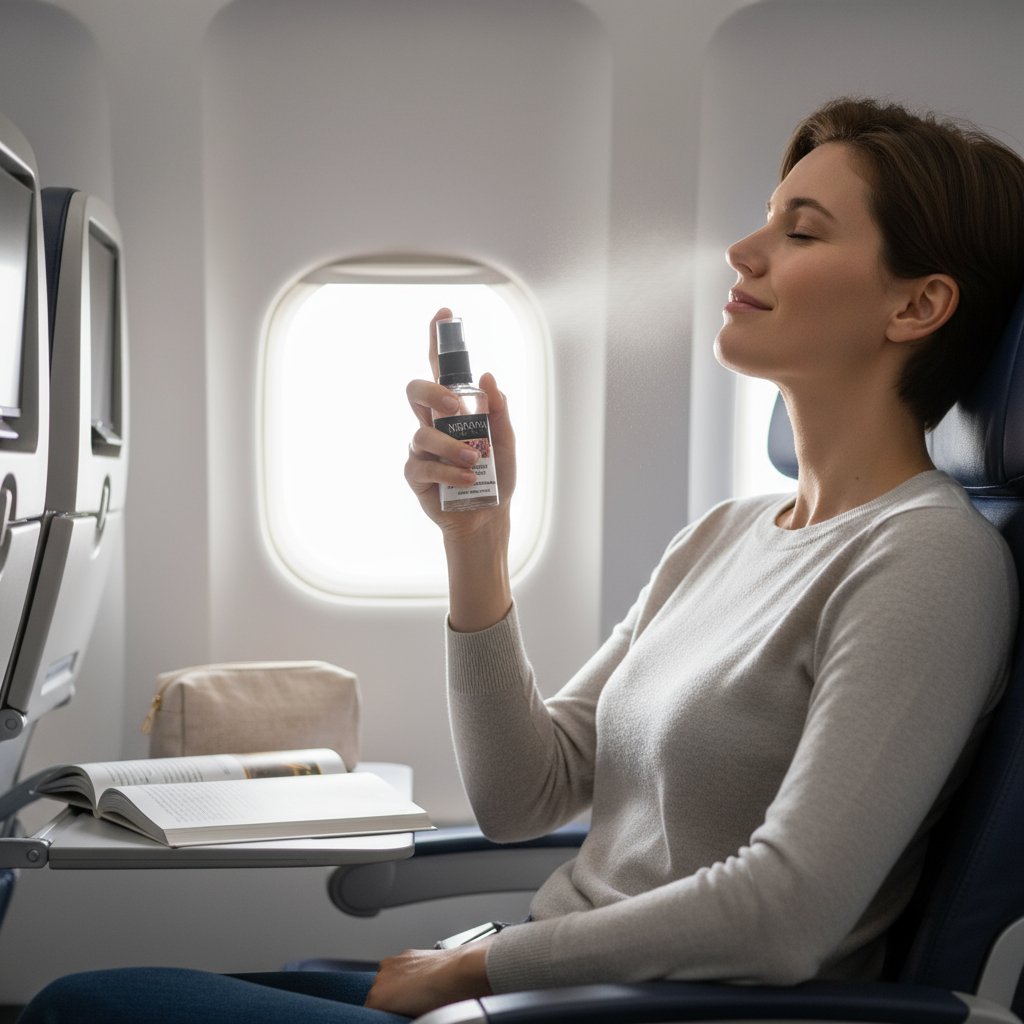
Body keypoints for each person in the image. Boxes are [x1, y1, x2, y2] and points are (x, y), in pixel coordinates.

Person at [17, 96, 1024, 1023]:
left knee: (79, 1007)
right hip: (535, 980)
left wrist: (472, 971)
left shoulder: (929, 559)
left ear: (916, 306)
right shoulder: (723, 535)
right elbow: (523, 794)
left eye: (800, 231)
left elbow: (784, 913)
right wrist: (477, 544)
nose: (742, 249)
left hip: (615, 1008)